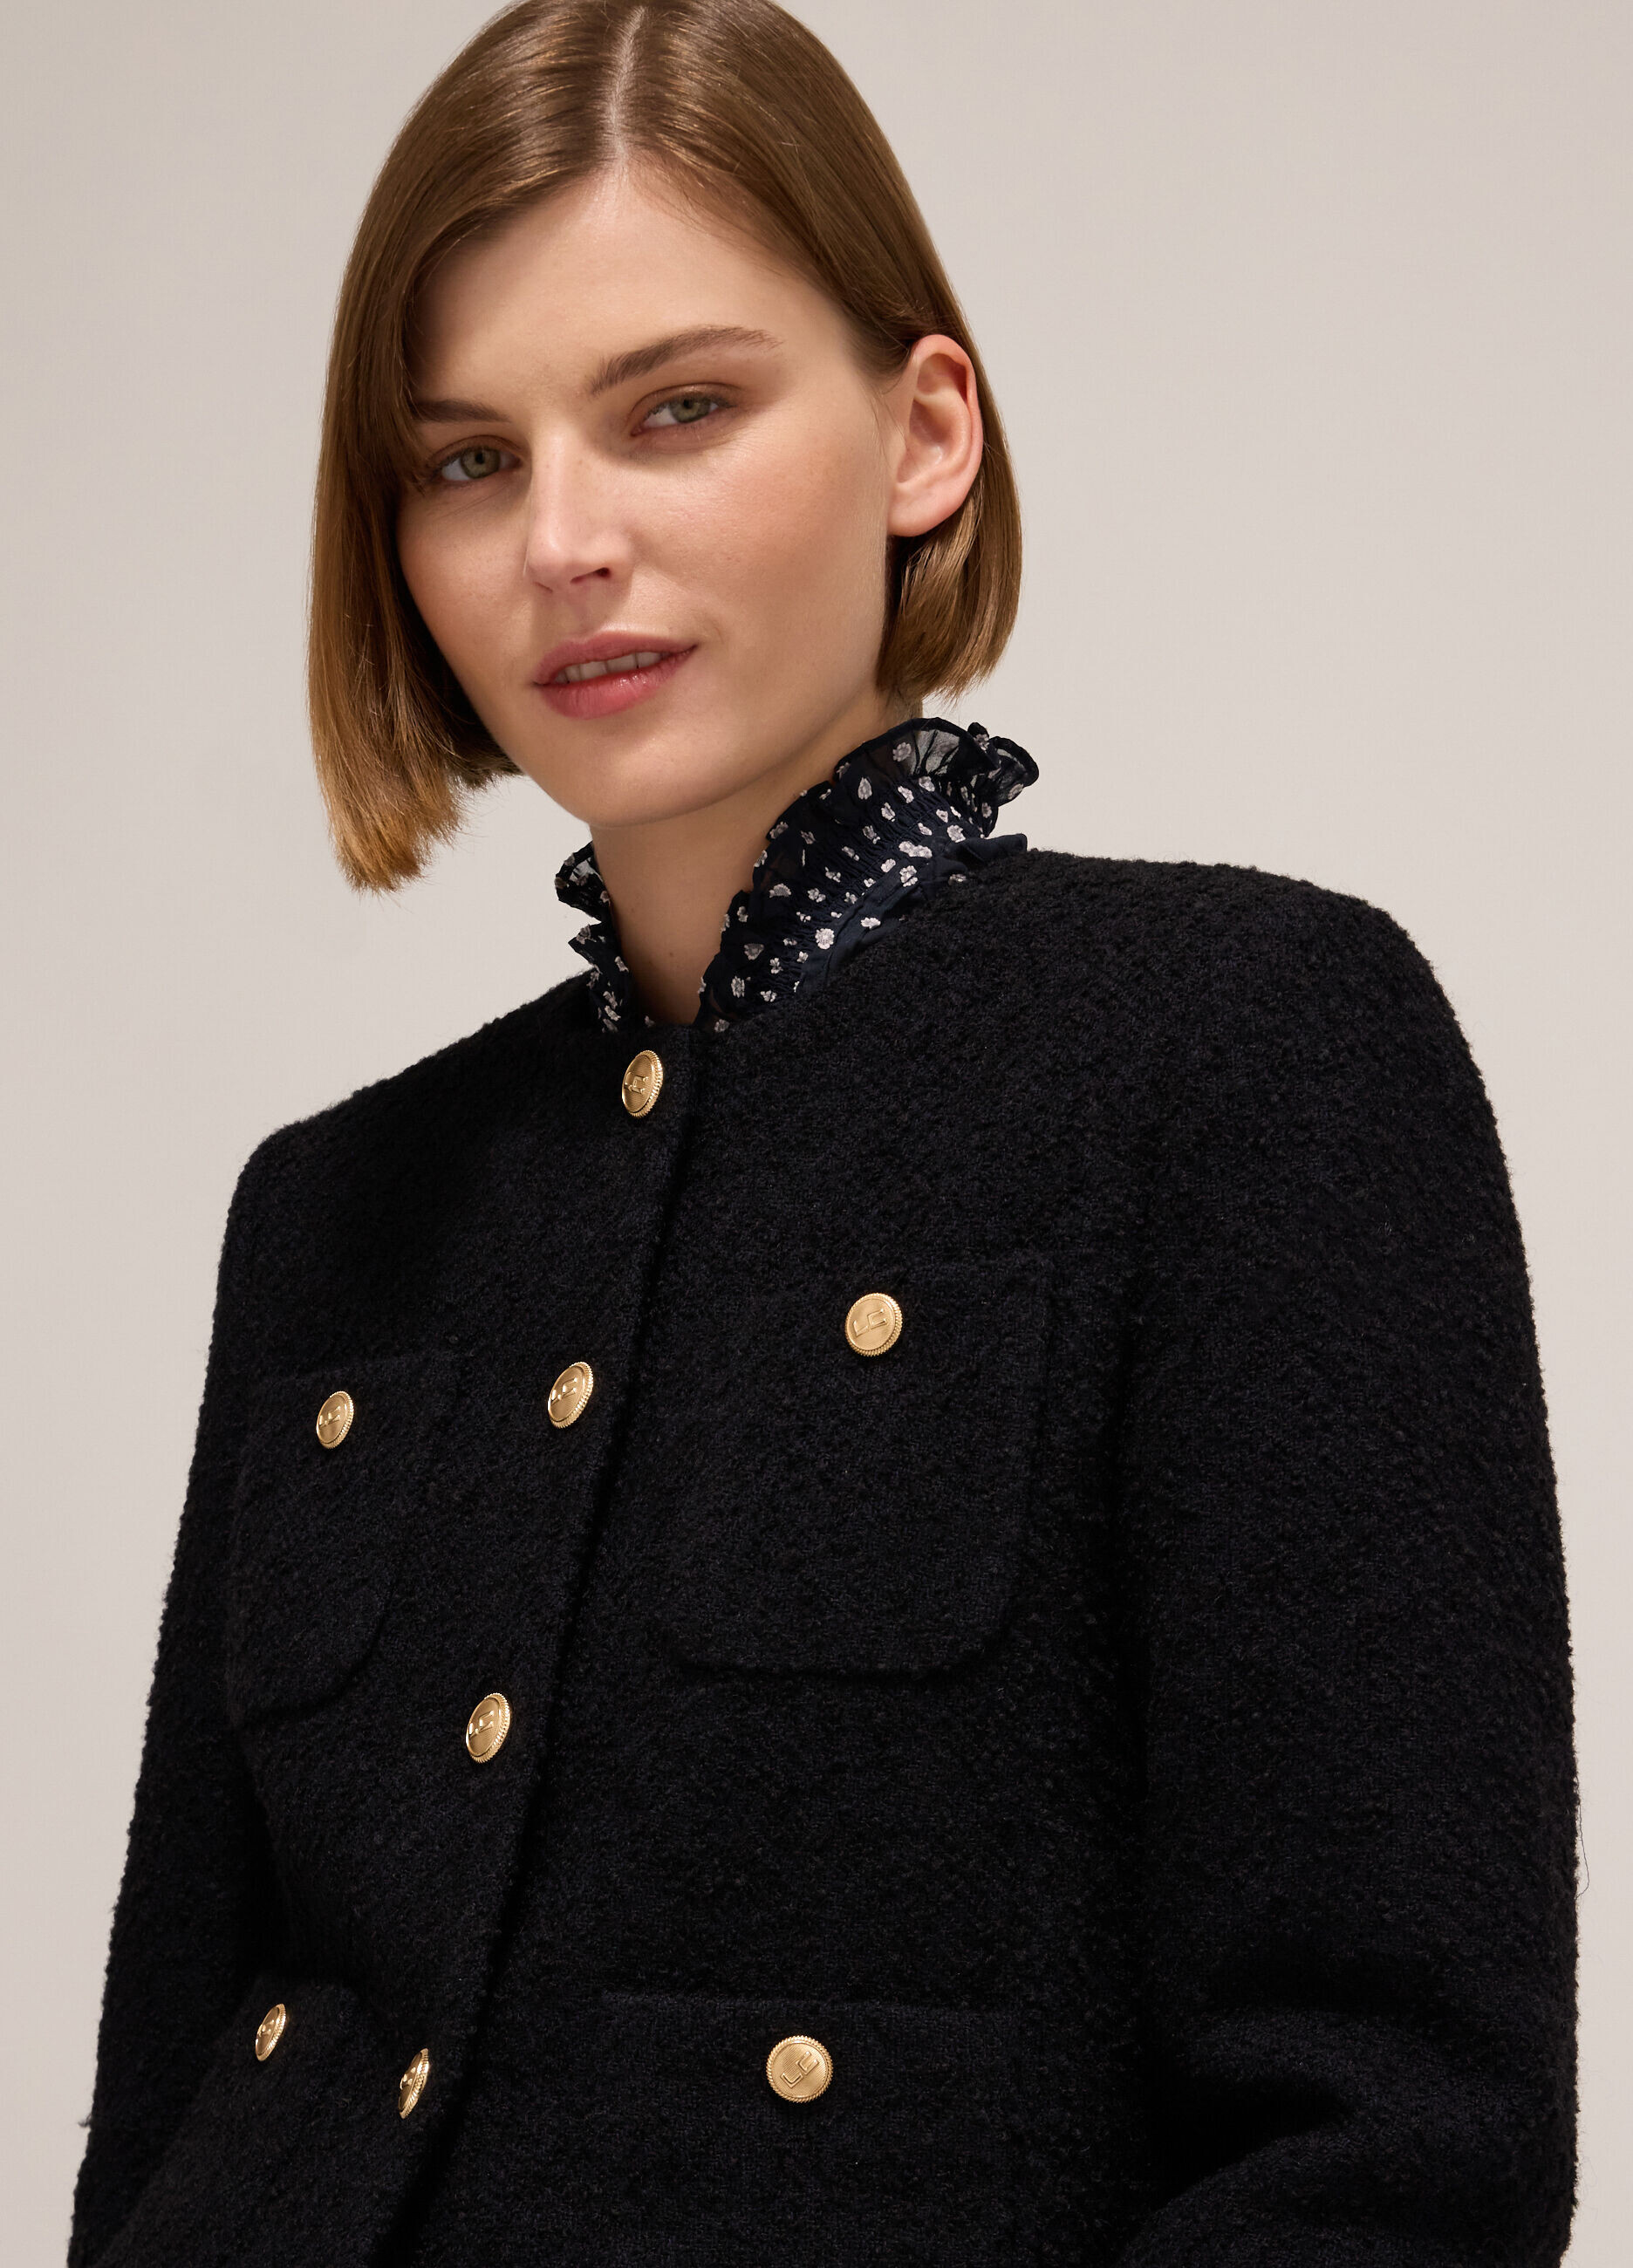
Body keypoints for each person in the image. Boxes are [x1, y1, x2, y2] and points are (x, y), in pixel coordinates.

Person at [70, 3, 1577, 2263]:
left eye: (676, 408)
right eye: (465, 458)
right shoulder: (335, 1210)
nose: (562, 539)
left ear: (924, 433)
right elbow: (177, 2098)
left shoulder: (1242, 1051)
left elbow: (1394, 2148)